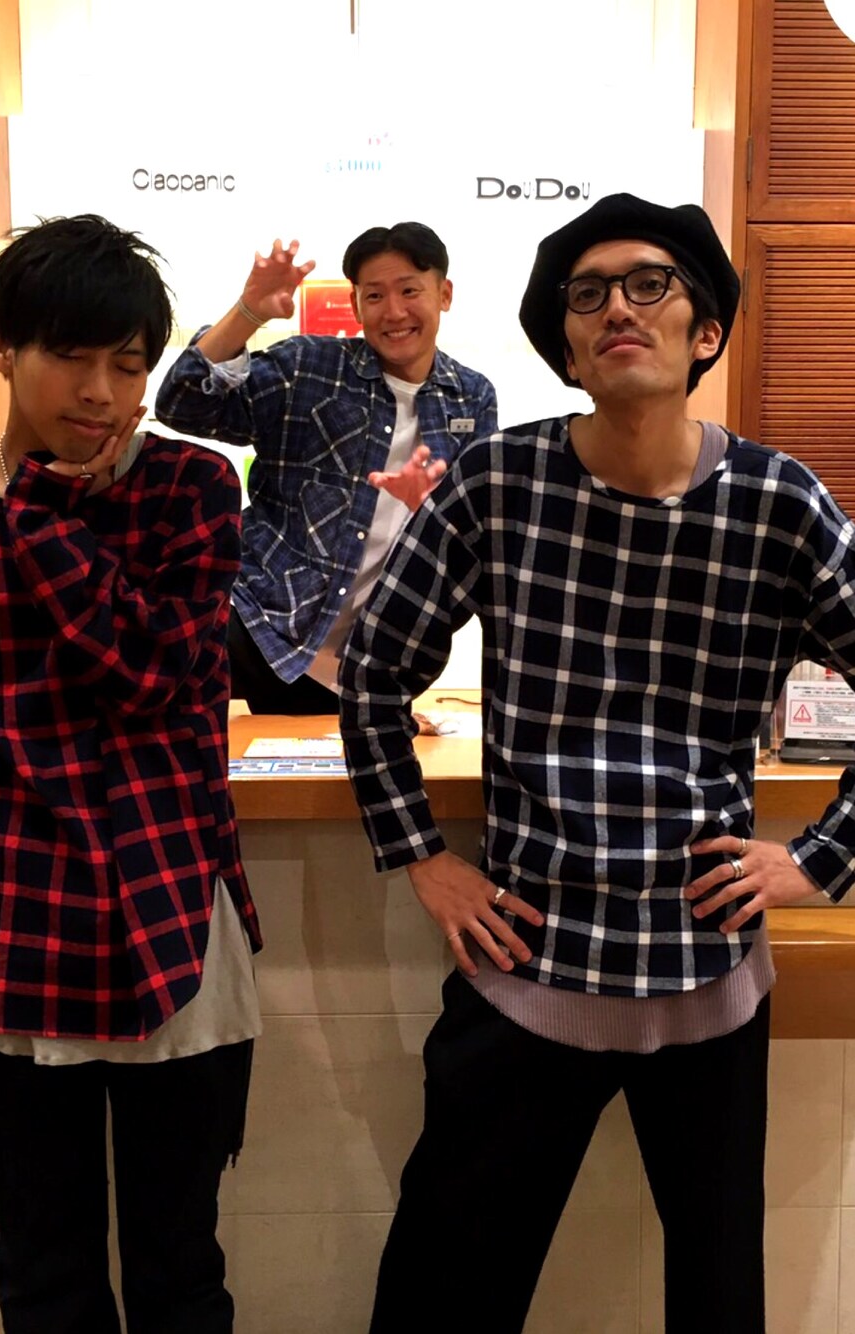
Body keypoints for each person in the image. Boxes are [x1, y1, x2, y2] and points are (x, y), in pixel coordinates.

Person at [338, 192, 855, 1333]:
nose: (617, 307)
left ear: (704, 330)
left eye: (648, 283)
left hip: (708, 973)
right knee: (440, 1298)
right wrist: (423, 857)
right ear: (566, 347)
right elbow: (373, 672)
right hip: (529, 962)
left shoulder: (779, 501)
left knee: (717, 1299)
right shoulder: (498, 482)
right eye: (587, 294)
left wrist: (818, 859)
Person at [0, 214, 261, 1334]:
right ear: (4, 346)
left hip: (170, 911)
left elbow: (150, 674)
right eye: (71, 356)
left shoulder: (190, 486)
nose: (102, 392)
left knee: (180, 1264)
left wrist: (39, 513)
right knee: (45, 1270)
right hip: (11, 918)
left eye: (129, 365)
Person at [154, 223, 498, 713]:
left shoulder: (472, 395)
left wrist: (432, 515)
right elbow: (181, 404)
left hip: (371, 664)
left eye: (409, 291)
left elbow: (475, 546)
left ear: (444, 294)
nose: (393, 311)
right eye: (374, 295)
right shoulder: (309, 366)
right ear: (355, 305)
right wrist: (249, 312)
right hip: (256, 627)